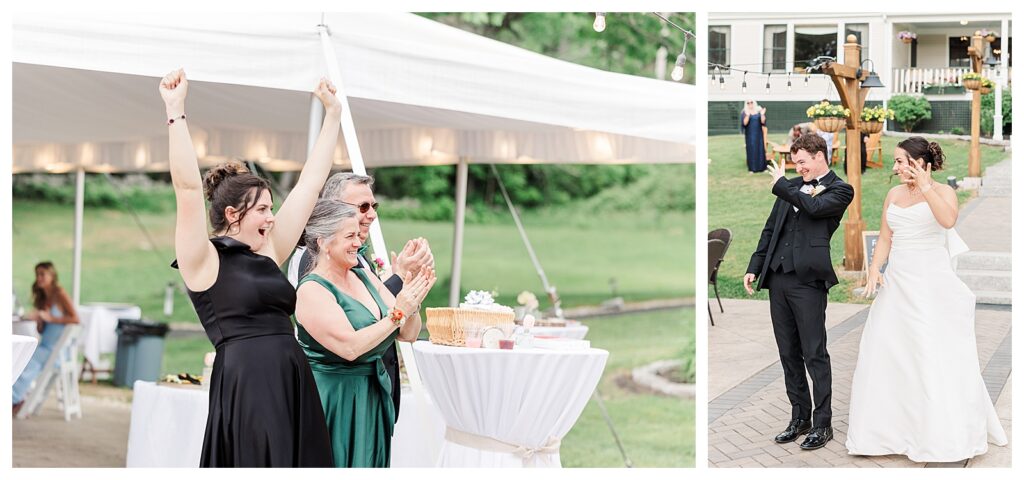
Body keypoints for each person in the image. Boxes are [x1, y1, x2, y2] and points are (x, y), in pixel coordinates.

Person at [161, 68, 339, 467]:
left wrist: (334, 115)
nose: (272, 217)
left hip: (291, 377)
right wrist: (176, 111)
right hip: (249, 384)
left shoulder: (269, 250)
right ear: (232, 213)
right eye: (262, 210)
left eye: (271, 209)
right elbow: (187, 190)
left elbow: (310, 186)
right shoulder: (203, 260)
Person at [846, 137, 1007, 461]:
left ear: (921, 162)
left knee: (929, 354)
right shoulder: (894, 194)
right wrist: (875, 270)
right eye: (895, 161)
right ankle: (887, 433)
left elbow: (947, 220)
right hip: (898, 284)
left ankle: (937, 434)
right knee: (887, 351)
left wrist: (926, 186)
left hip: (930, 284)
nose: (895, 167)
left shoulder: (944, 192)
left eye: (901, 161)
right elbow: (887, 237)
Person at [295, 199, 436, 467]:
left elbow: (408, 333)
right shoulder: (312, 290)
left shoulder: (365, 277)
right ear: (323, 241)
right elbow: (349, 348)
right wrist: (398, 311)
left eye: (358, 236)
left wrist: (412, 299)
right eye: (349, 236)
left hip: (371, 396)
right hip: (334, 401)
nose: (358, 243)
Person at [743, 133, 854, 450]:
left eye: (802, 162)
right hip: (778, 280)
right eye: (795, 163)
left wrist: (783, 185)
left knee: (814, 353)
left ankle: (823, 424)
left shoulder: (840, 189)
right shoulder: (791, 187)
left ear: (820, 156)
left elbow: (815, 207)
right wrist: (755, 265)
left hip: (808, 283)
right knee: (788, 353)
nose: (798, 168)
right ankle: (799, 417)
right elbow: (770, 230)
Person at [12, 262, 80, 415]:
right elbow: (42, 331)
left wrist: (51, 318)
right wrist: (40, 321)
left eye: (43, 274)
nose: (39, 278)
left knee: (25, 359)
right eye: (37, 274)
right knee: (24, 357)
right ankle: (17, 399)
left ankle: (12, 399)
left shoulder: (59, 294)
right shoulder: (43, 298)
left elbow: (76, 319)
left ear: (52, 275)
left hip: (57, 351)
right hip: (45, 347)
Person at [741, 100, 769, 173]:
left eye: (751, 102)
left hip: (759, 134)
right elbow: (744, 123)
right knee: (752, 150)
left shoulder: (758, 111)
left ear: (754, 103)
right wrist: (748, 115)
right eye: (748, 103)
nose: (750, 104)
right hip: (750, 135)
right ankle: (752, 168)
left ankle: (762, 168)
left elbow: (763, 122)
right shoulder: (744, 112)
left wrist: (762, 114)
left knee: (760, 150)